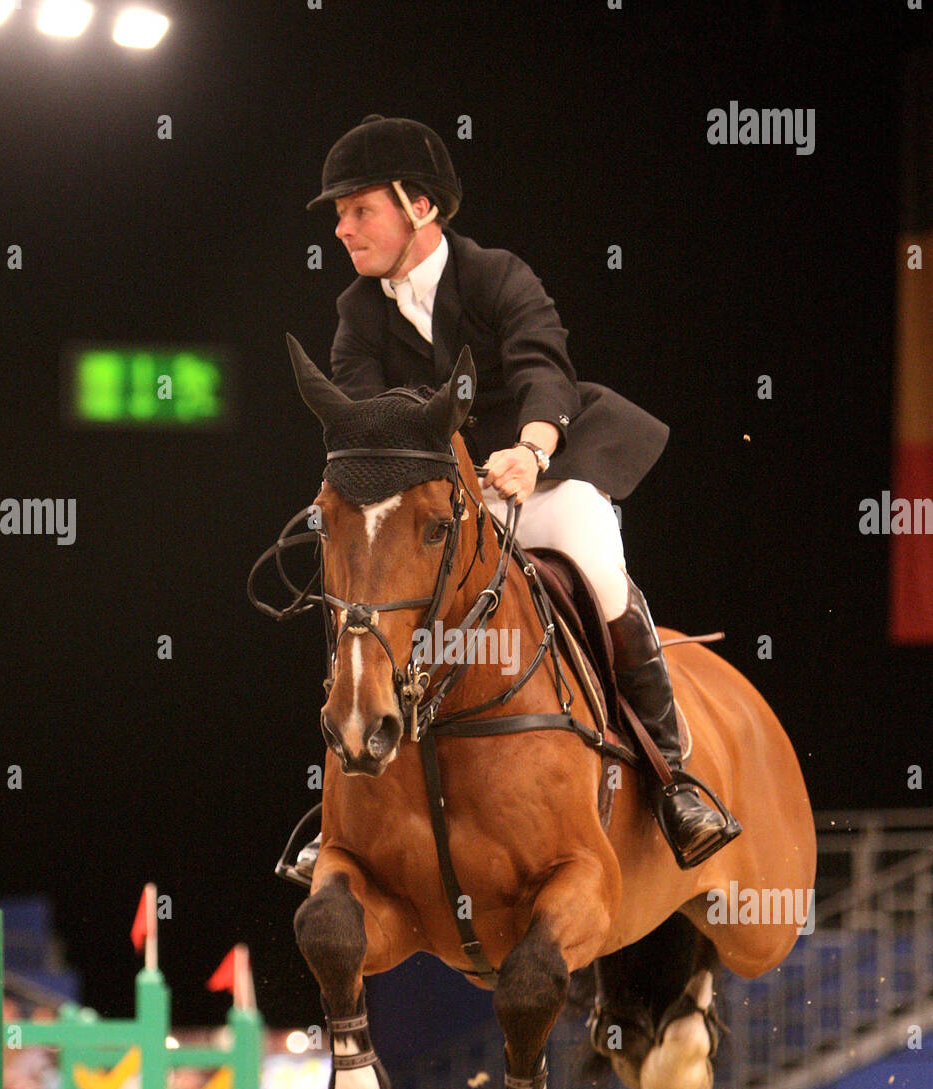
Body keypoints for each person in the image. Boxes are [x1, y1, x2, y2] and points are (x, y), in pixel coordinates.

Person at [299, 114, 739, 871]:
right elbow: (366, 424)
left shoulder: (497, 275)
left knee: (597, 562)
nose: (343, 228)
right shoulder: (355, 313)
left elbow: (543, 366)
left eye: (359, 209)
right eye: (339, 214)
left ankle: (673, 778)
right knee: (360, 595)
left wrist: (533, 449)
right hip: (435, 505)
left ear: (420, 208)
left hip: (535, 478)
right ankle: (338, 808)